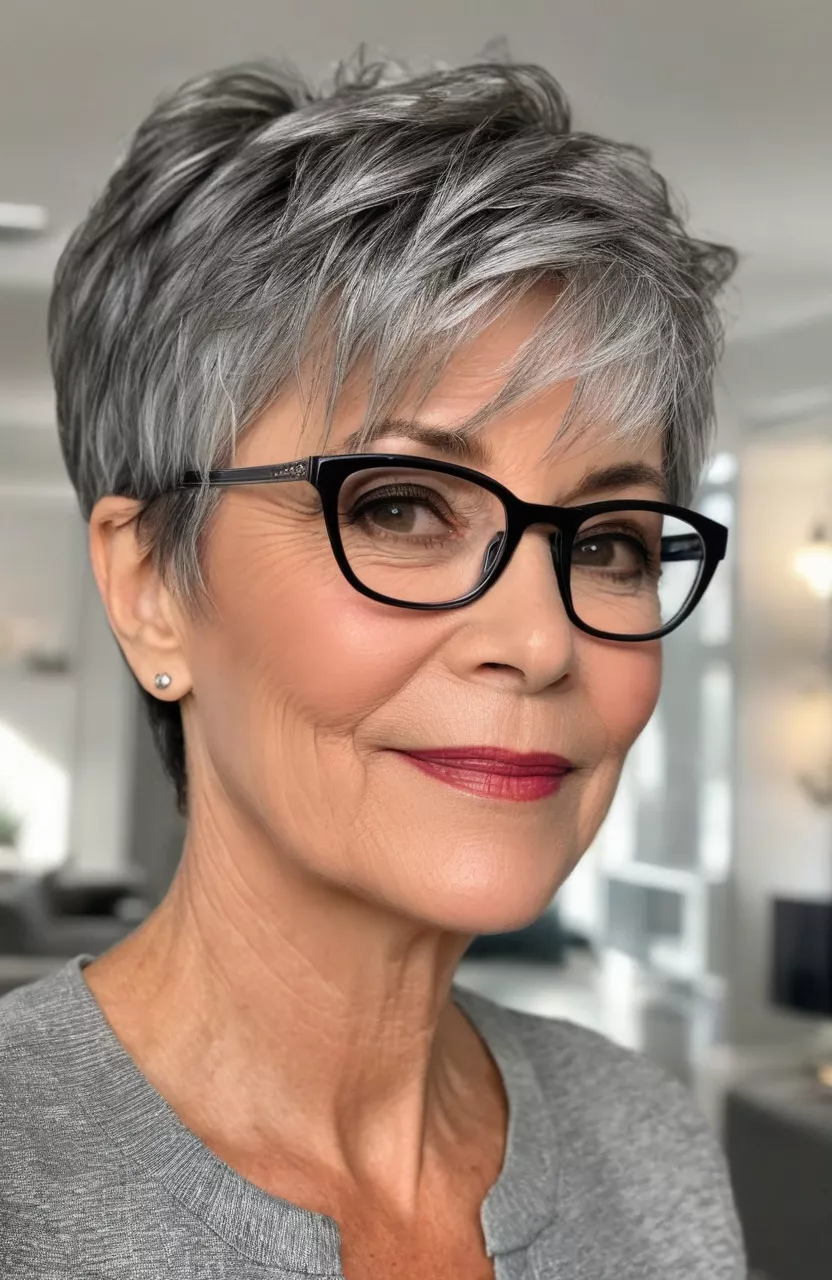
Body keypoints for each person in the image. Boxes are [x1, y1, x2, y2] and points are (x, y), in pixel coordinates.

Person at [0, 55, 746, 1279]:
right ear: (150, 588)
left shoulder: (645, 1136)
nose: (541, 639)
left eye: (608, 542)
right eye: (401, 508)